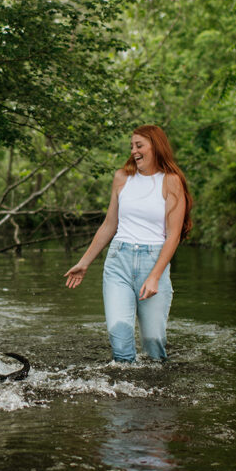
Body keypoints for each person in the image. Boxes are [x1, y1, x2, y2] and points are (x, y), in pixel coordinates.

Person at [64, 125, 193, 362]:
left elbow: (173, 235)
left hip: (154, 262)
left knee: (154, 343)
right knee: (120, 340)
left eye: (139, 145)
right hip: (118, 262)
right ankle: (125, 394)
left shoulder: (171, 181)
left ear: (156, 146)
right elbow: (109, 225)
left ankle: (156, 393)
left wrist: (154, 276)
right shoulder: (122, 178)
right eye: (132, 146)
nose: (134, 150)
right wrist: (84, 263)